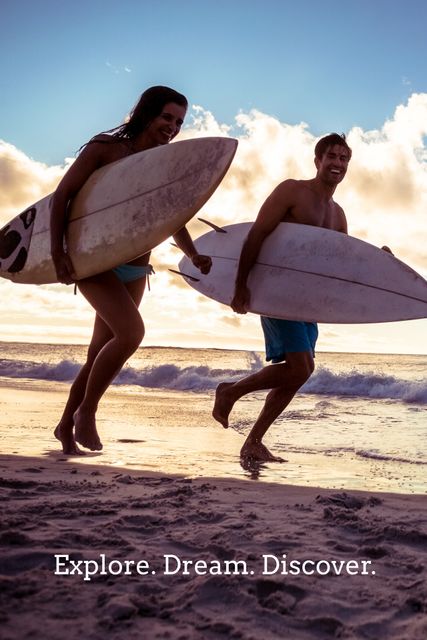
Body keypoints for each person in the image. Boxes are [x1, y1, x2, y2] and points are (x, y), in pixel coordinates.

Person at [52, 86, 211, 455]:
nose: (172, 127)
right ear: (146, 113)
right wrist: (59, 251)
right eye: (166, 117)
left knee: (97, 356)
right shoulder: (105, 149)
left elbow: (169, 217)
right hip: (94, 263)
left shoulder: (164, 163)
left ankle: (64, 425)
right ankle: (86, 413)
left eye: (179, 122)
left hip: (137, 270)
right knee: (131, 334)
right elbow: (63, 196)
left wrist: (194, 253)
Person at [212, 133, 352, 462]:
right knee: (302, 368)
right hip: (276, 290)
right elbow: (257, 234)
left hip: (306, 300)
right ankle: (230, 391)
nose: (338, 163)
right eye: (331, 156)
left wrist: (380, 262)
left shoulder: (338, 214)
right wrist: (241, 285)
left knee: (298, 370)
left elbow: (345, 261)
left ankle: (253, 441)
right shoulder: (292, 191)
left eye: (344, 159)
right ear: (317, 161)